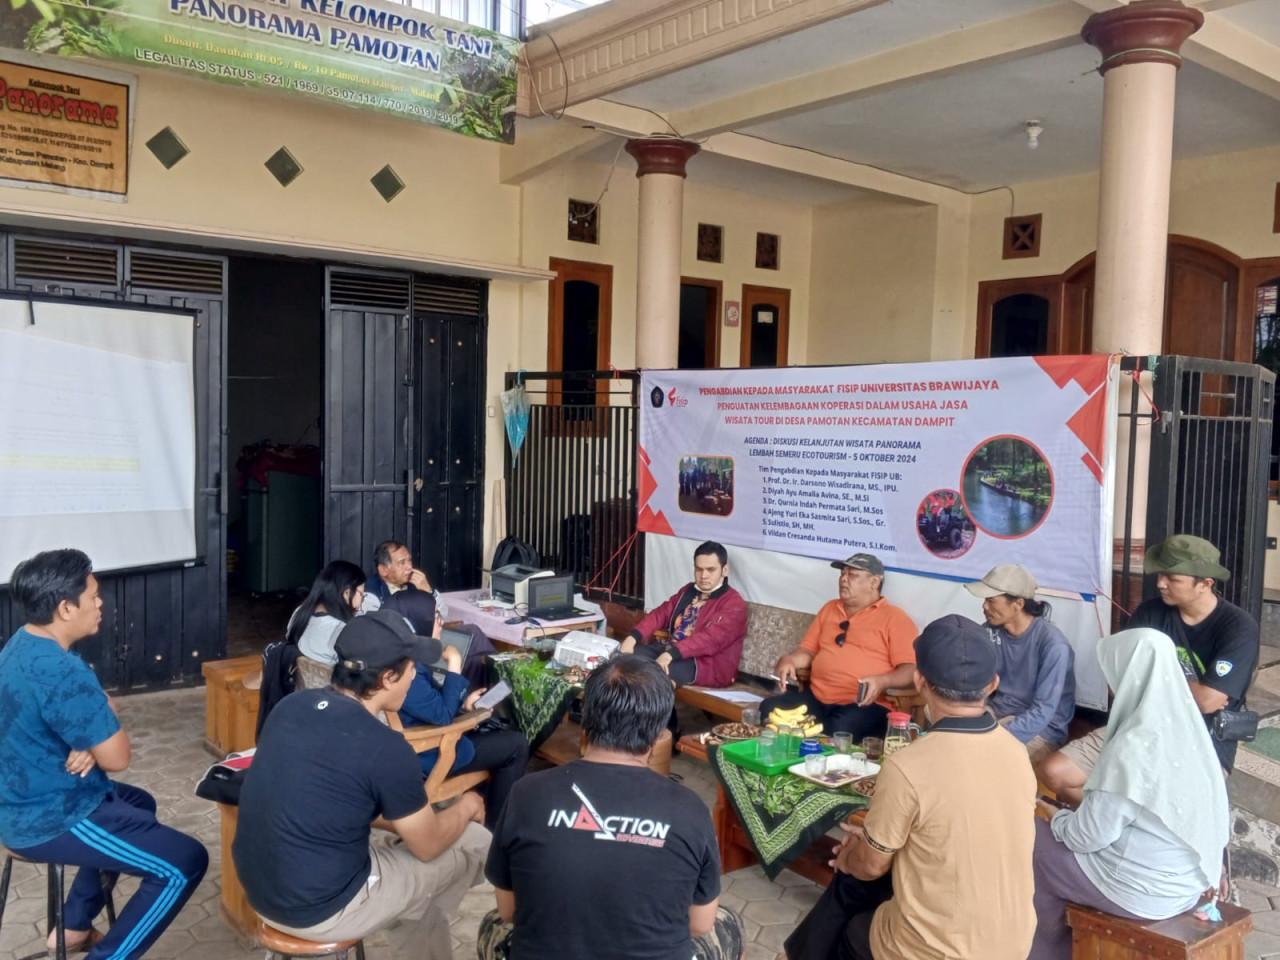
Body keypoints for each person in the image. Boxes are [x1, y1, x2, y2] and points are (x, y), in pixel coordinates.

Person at [233, 608, 490, 960]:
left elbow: (327, 802)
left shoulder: (292, 706)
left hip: (259, 890)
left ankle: (415, 914)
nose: (415, 673)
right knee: (473, 841)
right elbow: (428, 846)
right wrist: (469, 805)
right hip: (322, 909)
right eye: (412, 667)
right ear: (387, 678)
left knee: (408, 866)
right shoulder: (386, 746)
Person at [784, 615, 1037, 960]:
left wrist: (849, 856)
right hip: (1012, 943)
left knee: (850, 900)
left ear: (920, 682)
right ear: (992, 684)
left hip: (931, 950)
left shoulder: (909, 765)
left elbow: (871, 866)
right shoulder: (1017, 753)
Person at [0, 549, 208, 960]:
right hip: (49, 816)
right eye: (93, 595)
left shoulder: (19, 646)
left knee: (140, 803)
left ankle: (75, 926)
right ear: (65, 607)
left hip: (22, 798)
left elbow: (76, 718)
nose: (100, 602)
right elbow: (117, 756)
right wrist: (99, 734)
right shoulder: (62, 669)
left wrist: (88, 738)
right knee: (184, 862)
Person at [477, 654, 743, 960]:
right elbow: (699, 924)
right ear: (659, 732)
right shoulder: (690, 809)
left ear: (586, 715)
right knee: (728, 924)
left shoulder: (525, 793)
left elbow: (509, 910)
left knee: (492, 924)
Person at [1029, 628, 1228, 959]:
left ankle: (1045, 952)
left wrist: (1056, 816)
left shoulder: (1135, 743)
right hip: (1189, 885)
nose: (1109, 685)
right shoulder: (1191, 731)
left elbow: (1086, 837)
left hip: (1142, 893)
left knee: (1032, 842)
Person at [1041, 534, 1258, 803]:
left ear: (1205, 584)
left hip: (1200, 739)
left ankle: (1128, 832)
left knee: (1165, 807)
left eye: (1173, 579)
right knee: (1056, 773)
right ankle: (1112, 833)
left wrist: (1151, 680)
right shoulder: (1150, 612)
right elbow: (1116, 684)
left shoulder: (1237, 627)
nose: (1160, 584)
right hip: (1140, 724)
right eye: (1160, 575)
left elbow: (1207, 702)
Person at [761, 553, 916, 739]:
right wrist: (790, 660)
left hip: (864, 705)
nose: (843, 578)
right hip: (817, 698)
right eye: (842, 573)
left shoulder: (894, 618)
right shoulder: (830, 608)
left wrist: (883, 681)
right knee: (770, 709)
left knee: (839, 728)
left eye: (852, 575)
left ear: (874, 582)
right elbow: (807, 651)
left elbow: (910, 669)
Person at [399, 612, 530, 829]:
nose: (441, 628)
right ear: (421, 627)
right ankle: (495, 828)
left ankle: (482, 806)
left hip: (425, 738)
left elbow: (435, 704)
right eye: (437, 622)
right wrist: (455, 663)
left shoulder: (402, 659)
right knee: (517, 745)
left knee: (496, 729)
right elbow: (442, 716)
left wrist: (465, 705)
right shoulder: (409, 671)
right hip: (432, 751)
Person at [964, 563, 1074, 764]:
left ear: (1018, 604)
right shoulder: (989, 631)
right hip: (996, 713)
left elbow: (1043, 712)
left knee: (985, 759)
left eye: (991, 600)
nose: (984, 606)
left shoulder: (1053, 645)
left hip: (1040, 729)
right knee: (942, 721)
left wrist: (993, 737)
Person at [365, 539, 494, 687]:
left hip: (429, 635)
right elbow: (374, 633)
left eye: (409, 561)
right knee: (469, 654)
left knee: (473, 637)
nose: (409, 567)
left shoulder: (414, 583)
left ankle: (494, 678)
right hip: (404, 650)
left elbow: (442, 615)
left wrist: (428, 591)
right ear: (383, 570)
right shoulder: (372, 594)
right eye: (402, 563)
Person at [619, 540, 747, 688]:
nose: (703, 575)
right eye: (699, 569)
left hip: (705, 664)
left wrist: (670, 655)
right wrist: (633, 637)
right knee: (622, 660)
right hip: (672, 652)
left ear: (724, 570)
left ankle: (662, 711)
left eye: (711, 570)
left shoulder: (733, 603)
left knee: (654, 677)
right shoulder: (689, 591)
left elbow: (710, 640)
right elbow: (661, 614)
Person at [286, 559, 367, 664]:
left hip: (300, 678)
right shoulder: (340, 628)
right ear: (347, 593)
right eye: (361, 594)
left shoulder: (298, 613)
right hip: (327, 680)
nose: (361, 602)